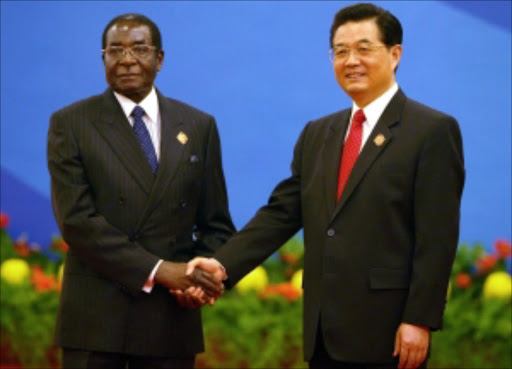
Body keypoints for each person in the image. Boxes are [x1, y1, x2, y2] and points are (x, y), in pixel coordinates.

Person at [188, 3, 465, 369]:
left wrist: (420, 318)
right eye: (341, 51)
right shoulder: (318, 133)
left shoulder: (430, 130)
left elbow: (437, 236)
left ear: (395, 54)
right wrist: (221, 266)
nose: (351, 60)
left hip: (389, 332)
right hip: (323, 331)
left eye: (364, 48)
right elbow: (281, 214)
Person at [47, 13, 235, 369]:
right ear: (103, 58)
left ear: (159, 59)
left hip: (170, 320)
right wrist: (164, 271)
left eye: (139, 49)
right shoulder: (71, 123)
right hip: (97, 321)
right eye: (115, 50)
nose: (127, 60)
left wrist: (198, 282)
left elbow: (216, 224)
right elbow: (76, 222)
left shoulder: (198, 125)